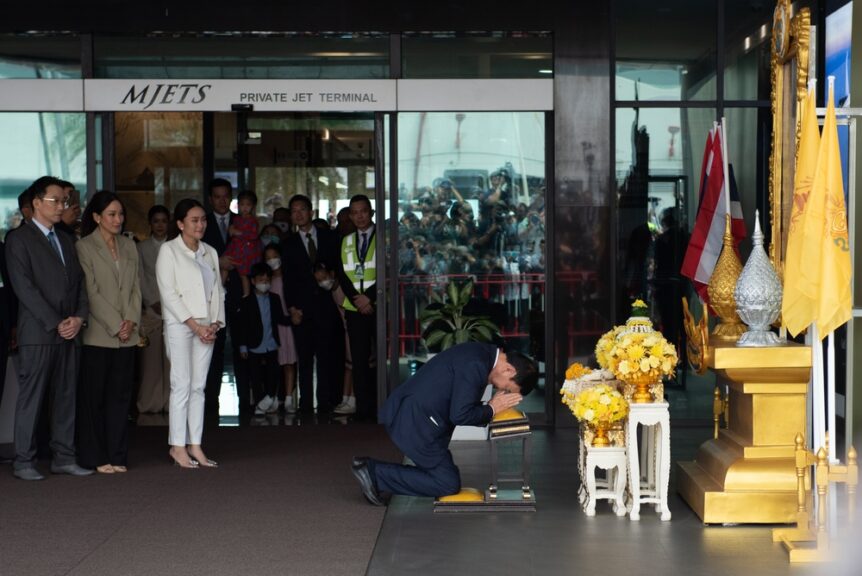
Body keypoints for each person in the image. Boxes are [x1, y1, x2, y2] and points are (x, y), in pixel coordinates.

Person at [351, 343, 537, 504]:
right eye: (506, 388)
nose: (500, 390)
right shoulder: (476, 365)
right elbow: (460, 414)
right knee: (446, 482)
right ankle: (374, 473)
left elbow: (460, 404)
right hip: (417, 423)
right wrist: (491, 409)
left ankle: (373, 470)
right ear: (509, 370)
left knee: (443, 476)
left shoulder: (482, 355)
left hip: (419, 418)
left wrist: (490, 408)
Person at [5, 176, 92, 480]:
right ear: (36, 204)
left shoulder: (66, 240)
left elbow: (80, 285)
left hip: (70, 331)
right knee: (33, 398)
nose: (61, 206)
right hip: (39, 333)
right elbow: (24, 289)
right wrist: (58, 323)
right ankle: (24, 462)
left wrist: (79, 318)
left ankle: (64, 457)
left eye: (64, 201)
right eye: (55, 200)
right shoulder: (18, 239)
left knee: (66, 396)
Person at [75, 191, 141, 474]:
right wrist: (116, 325)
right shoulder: (84, 247)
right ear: (96, 217)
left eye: (120, 214)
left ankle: (118, 455)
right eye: (112, 214)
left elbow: (136, 288)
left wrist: (130, 321)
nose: (118, 219)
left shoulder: (129, 245)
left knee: (120, 398)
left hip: (128, 335)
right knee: (96, 399)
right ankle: (96, 456)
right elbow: (91, 291)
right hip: (99, 335)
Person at [156, 198, 225, 469]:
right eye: (194, 220)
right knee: (182, 384)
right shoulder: (168, 251)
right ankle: (177, 445)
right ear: (180, 223)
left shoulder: (210, 252)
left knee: (199, 387)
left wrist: (215, 324)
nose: (200, 225)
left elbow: (217, 291)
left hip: (207, 325)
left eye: (203, 220)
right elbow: (168, 293)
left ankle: (195, 444)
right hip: (180, 324)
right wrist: (195, 326)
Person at [280, 194, 343, 415]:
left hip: (327, 307)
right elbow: (287, 279)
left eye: (302, 210)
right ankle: (305, 404)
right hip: (302, 310)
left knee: (326, 357)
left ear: (311, 212)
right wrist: (292, 308)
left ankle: (325, 403)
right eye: (294, 211)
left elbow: (338, 268)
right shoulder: (287, 244)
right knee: (304, 359)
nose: (298, 214)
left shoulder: (329, 237)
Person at [200, 178, 245, 418]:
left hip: (240, 293)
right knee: (213, 351)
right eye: (217, 196)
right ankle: (211, 402)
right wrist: (219, 263)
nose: (221, 200)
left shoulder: (242, 223)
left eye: (226, 196)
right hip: (210, 296)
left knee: (242, 347)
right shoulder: (201, 223)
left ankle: (246, 401)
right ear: (210, 199)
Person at [336, 194, 377, 420]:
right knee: (359, 360)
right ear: (350, 215)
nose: (359, 216)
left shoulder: (383, 238)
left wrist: (369, 298)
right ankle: (363, 410)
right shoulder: (346, 240)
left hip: (377, 306)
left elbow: (388, 271)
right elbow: (342, 274)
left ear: (371, 212)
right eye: (355, 212)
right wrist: (357, 300)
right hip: (354, 309)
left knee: (381, 359)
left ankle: (382, 405)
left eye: (363, 211)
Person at [237, 262, 291, 415]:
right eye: (261, 280)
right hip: (254, 344)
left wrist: (293, 319)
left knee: (273, 373)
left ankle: (267, 399)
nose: (265, 283)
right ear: (253, 281)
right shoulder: (247, 302)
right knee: (255, 376)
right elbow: (243, 326)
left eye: (267, 281)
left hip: (271, 342)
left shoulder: (275, 298)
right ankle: (261, 401)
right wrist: (243, 346)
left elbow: (280, 318)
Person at [136, 205, 171, 414]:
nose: (160, 225)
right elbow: (139, 277)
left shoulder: (178, 246)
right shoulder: (141, 248)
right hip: (151, 312)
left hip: (175, 312)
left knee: (171, 362)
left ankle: (170, 403)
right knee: (150, 363)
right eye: (156, 221)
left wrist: (169, 302)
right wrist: (151, 301)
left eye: (164, 221)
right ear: (150, 223)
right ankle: (149, 403)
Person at [314, 262, 357, 416]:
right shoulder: (333, 291)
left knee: (354, 364)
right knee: (349, 365)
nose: (323, 283)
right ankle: (345, 399)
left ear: (332, 273)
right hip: (347, 332)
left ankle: (352, 399)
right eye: (319, 281)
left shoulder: (343, 289)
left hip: (354, 330)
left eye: (324, 278)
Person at [263, 244, 297, 414]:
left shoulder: (289, 277)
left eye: (274, 256)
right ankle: (275, 398)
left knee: (289, 363)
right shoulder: (266, 281)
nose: (272, 260)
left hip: (289, 325)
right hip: (273, 326)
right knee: (274, 364)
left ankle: (289, 399)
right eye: (268, 258)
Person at [223, 190, 263, 297]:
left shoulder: (253, 221)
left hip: (246, 250)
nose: (244, 207)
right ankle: (221, 287)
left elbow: (254, 235)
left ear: (253, 206)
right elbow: (231, 230)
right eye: (242, 204)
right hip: (236, 248)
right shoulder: (236, 218)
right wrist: (231, 229)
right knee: (225, 266)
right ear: (238, 205)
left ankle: (246, 293)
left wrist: (238, 232)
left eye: (248, 205)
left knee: (243, 274)